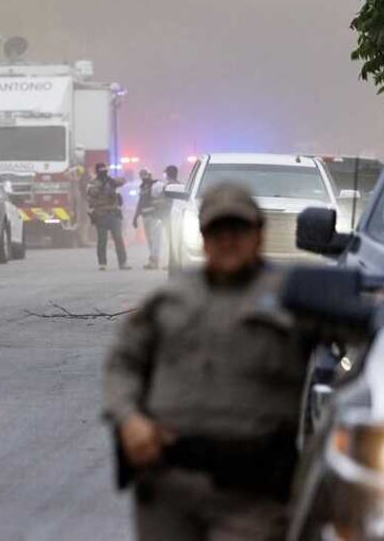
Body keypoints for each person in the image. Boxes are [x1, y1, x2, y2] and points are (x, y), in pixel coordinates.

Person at [103, 183, 311, 540]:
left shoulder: (294, 300)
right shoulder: (168, 300)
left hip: (252, 493)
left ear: (259, 235)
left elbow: (362, 344)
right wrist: (129, 418)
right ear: (203, 237)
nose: (228, 240)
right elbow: (123, 364)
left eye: (238, 230)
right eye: (217, 231)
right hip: (168, 488)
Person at [87, 162, 130, 271]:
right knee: (102, 240)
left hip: (114, 214)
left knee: (118, 239)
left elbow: (123, 181)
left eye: (105, 170)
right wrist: (101, 185)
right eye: (102, 171)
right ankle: (102, 263)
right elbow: (91, 193)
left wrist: (111, 182)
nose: (104, 172)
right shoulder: (93, 183)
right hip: (101, 215)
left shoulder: (111, 181)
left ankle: (123, 262)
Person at [132, 168, 163, 270]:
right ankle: (154, 261)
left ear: (150, 175)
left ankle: (154, 261)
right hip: (145, 216)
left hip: (155, 216)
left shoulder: (157, 185)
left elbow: (163, 199)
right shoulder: (142, 187)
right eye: (142, 176)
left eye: (146, 176)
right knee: (150, 240)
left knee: (155, 240)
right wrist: (135, 217)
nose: (144, 178)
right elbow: (140, 202)